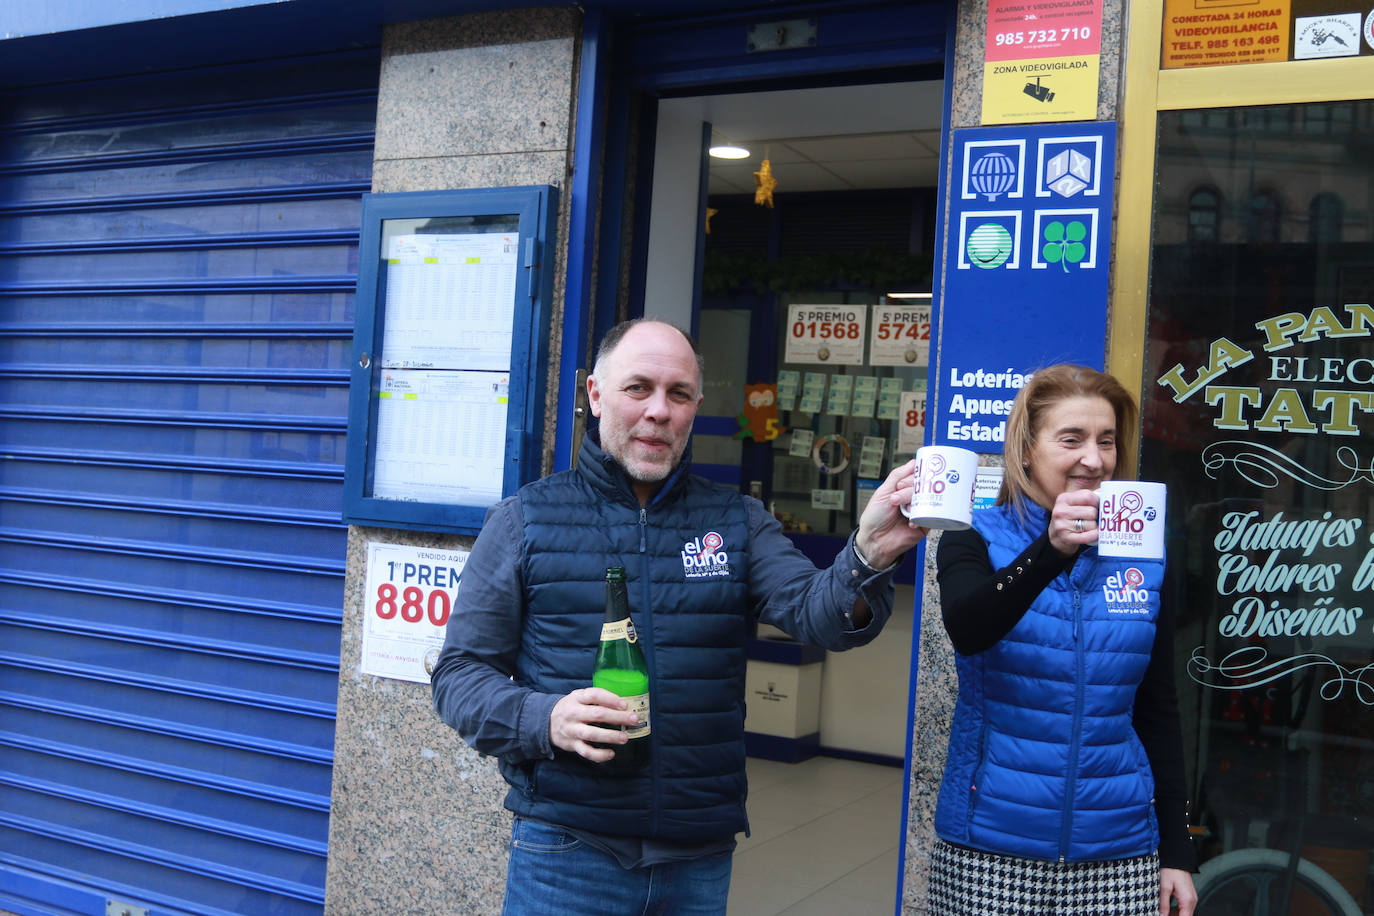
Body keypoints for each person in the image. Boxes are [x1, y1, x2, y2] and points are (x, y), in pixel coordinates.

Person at [430, 318, 928, 915]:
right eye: (638, 388)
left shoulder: (737, 520)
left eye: (680, 394)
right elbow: (459, 675)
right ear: (594, 395)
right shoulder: (524, 521)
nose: (659, 411)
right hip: (567, 852)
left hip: (699, 858)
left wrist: (867, 553)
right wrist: (546, 718)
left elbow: (815, 615)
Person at [928, 364, 1199, 916]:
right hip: (991, 844)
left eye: (1106, 441)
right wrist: (1051, 551)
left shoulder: (1141, 551)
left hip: (1118, 848)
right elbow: (969, 629)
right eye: (1071, 439)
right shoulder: (975, 537)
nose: (1094, 460)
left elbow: (1157, 706)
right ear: (1026, 449)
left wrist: (1177, 847)